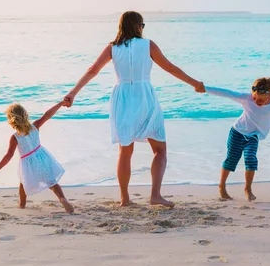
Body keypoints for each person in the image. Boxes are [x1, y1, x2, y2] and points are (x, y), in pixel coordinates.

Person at [63, 11, 205, 207]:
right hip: (144, 96)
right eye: (143, 25)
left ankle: (125, 199)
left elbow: (92, 71)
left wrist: (73, 93)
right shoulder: (148, 45)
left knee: (125, 150)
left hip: (122, 98)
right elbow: (170, 68)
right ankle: (155, 195)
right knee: (160, 150)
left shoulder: (112, 48)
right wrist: (194, 83)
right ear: (139, 26)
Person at [205, 77, 270, 202]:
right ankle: (222, 186)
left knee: (251, 159)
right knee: (231, 159)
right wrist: (204, 88)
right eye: (255, 97)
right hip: (237, 132)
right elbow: (227, 93)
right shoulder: (247, 98)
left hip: (254, 136)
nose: (257, 101)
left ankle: (247, 189)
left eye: (261, 100)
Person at [0, 101, 74, 213]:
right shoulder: (35, 126)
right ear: (25, 115)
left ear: (11, 120)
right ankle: (62, 199)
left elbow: (9, 155)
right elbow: (48, 114)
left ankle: (22, 204)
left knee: (23, 183)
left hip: (28, 164)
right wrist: (61, 103)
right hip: (42, 157)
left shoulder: (15, 138)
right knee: (52, 182)